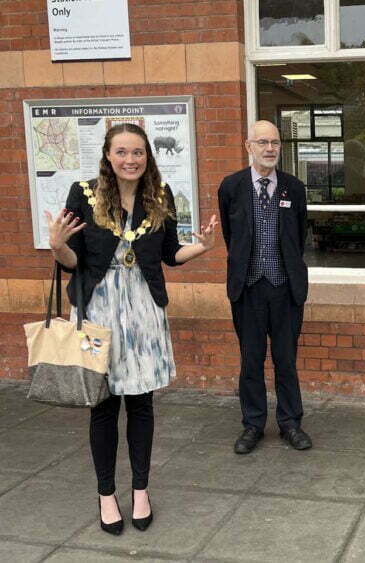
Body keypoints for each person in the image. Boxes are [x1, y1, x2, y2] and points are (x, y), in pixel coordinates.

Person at [45, 123, 218, 536]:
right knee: (103, 406)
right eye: (122, 151)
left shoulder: (160, 196)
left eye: (138, 152)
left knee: (141, 405)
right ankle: (107, 495)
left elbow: (171, 254)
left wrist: (205, 247)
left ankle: (141, 490)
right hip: (97, 312)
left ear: (147, 156)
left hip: (143, 311)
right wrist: (57, 245)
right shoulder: (83, 193)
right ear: (107, 155)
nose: (130, 159)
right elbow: (74, 261)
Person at [218, 120, 312, 455]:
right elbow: (233, 237)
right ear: (248, 146)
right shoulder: (231, 187)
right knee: (251, 361)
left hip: (285, 289)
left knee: (286, 360)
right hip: (248, 289)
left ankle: (290, 423)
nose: (269, 148)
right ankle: (253, 424)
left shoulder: (294, 188)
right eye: (262, 142)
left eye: (274, 142)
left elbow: (297, 237)